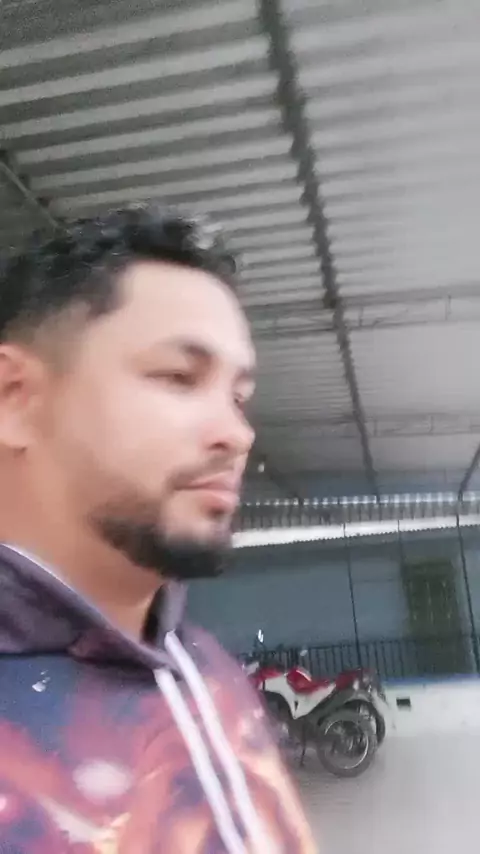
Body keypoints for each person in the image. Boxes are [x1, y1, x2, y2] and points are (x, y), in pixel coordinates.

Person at [0, 205, 316, 853]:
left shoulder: (207, 669)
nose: (238, 434)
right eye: (178, 377)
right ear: (14, 398)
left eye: (238, 396)